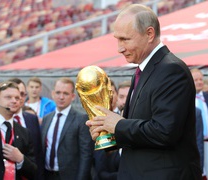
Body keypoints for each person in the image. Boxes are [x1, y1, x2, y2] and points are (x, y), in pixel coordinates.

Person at [86, 4, 202, 179]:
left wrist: (118, 125)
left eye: (125, 39)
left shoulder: (171, 70)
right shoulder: (143, 70)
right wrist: (108, 134)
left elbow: (164, 132)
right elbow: (141, 132)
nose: (119, 48)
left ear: (149, 34)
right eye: (117, 39)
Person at [41, 77, 94, 180]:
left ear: (73, 96)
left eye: (65, 93)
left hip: (69, 176)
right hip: (47, 174)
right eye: (58, 93)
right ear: (52, 94)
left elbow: (86, 154)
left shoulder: (81, 119)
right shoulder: (47, 118)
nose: (61, 97)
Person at [8, 77, 43, 180]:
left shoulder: (32, 119)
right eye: (15, 94)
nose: (19, 98)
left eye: (22, 94)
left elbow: (38, 154)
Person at [191, 68, 208, 178]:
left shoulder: (206, 97)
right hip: (196, 143)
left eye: (201, 79)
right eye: (196, 80)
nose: (199, 82)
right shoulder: (187, 100)